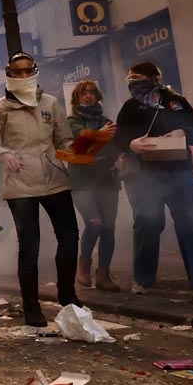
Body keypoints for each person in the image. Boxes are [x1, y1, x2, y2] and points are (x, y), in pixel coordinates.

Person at [0, 52, 82, 326]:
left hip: (54, 178)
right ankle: (31, 306)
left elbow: (63, 139)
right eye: (18, 72)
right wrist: (3, 152)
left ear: (35, 72)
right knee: (29, 245)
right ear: (9, 75)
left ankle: (67, 294)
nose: (23, 77)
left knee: (70, 237)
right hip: (20, 183)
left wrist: (82, 149)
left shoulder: (51, 103)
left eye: (28, 71)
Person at [112, 62, 193, 299]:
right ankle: (142, 279)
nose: (133, 82)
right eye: (130, 78)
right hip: (145, 175)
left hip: (180, 172)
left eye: (138, 77)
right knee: (147, 224)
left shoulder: (176, 102)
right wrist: (132, 144)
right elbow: (119, 138)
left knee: (192, 224)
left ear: (154, 78)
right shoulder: (131, 107)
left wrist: (183, 132)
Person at [67, 81, 122, 291]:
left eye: (92, 92)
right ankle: (83, 265)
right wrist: (100, 134)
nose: (88, 96)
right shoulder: (72, 121)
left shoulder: (107, 122)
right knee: (95, 223)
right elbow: (80, 142)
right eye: (83, 93)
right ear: (76, 98)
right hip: (82, 181)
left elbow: (115, 147)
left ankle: (104, 274)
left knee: (109, 227)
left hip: (107, 180)